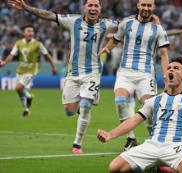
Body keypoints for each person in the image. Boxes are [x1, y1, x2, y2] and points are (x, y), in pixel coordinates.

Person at [7, 0, 118, 154]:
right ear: (85, 7)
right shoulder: (73, 21)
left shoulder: (108, 24)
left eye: (96, 5)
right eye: (90, 5)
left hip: (93, 72)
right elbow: (49, 15)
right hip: (72, 73)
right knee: (69, 111)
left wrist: (148, 19)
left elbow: (129, 26)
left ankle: (77, 144)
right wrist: (26, 8)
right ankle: (78, 106)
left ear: (100, 8)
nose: (93, 8)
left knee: (86, 105)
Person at [97, 58, 182, 173]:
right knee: (115, 168)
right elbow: (133, 121)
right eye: (169, 68)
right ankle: (154, 166)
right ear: (165, 76)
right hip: (151, 145)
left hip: (177, 147)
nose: (171, 70)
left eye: (176, 68)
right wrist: (110, 135)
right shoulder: (154, 100)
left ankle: (165, 167)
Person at [100, 0, 170, 151]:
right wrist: (107, 48)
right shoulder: (126, 23)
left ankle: (153, 140)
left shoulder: (158, 29)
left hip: (146, 74)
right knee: (120, 100)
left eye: (149, 5)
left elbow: (164, 54)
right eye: (143, 4)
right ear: (138, 6)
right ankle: (131, 138)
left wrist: (167, 76)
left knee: (149, 108)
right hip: (125, 72)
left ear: (153, 7)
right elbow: (116, 39)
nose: (146, 8)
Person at [0, 25, 57, 117]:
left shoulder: (38, 44)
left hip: (31, 71)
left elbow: (47, 55)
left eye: (32, 31)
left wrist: (53, 66)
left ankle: (28, 98)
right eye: (28, 31)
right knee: (19, 91)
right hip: (20, 70)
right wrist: (4, 63)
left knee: (18, 88)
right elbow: (11, 55)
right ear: (24, 33)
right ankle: (26, 107)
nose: (31, 33)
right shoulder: (18, 43)